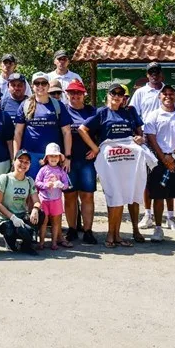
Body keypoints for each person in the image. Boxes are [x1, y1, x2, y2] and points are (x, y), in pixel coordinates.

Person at [78, 84, 153, 247]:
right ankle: (110, 236)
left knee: (129, 194)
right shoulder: (101, 113)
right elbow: (82, 129)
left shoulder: (129, 111)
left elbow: (139, 134)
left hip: (129, 160)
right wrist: (95, 148)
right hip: (111, 161)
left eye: (120, 94)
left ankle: (117, 235)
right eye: (114, 93)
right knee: (115, 195)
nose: (117, 96)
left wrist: (140, 139)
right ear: (108, 95)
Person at [130, 62, 175, 229]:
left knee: (170, 180)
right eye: (151, 72)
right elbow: (133, 114)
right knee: (148, 181)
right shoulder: (140, 93)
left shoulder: (170, 92)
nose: (154, 74)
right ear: (147, 74)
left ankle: (170, 217)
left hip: (169, 141)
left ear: (162, 74)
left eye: (157, 72)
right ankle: (148, 215)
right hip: (147, 141)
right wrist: (138, 135)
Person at [143, 85, 175, 244]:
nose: (168, 96)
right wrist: (164, 159)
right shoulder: (153, 116)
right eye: (164, 94)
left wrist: (173, 157)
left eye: (171, 94)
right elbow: (152, 139)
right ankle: (158, 229)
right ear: (159, 97)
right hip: (158, 160)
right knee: (158, 197)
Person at [62, 79, 99, 245]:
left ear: (84, 94)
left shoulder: (92, 111)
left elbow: (101, 132)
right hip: (68, 160)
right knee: (69, 196)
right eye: (72, 92)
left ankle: (88, 230)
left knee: (87, 195)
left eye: (78, 92)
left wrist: (96, 148)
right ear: (67, 94)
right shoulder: (63, 111)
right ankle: (71, 228)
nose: (75, 95)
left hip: (87, 160)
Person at [13, 72, 73, 170]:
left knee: (51, 184)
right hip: (29, 156)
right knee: (31, 184)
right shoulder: (25, 105)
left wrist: (67, 157)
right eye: (37, 83)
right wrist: (16, 157)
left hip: (53, 157)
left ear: (48, 85)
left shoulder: (58, 105)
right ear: (32, 86)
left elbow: (66, 132)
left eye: (43, 83)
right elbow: (18, 133)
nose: (40, 86)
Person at [0, 149, 42, 255]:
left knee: (40, 214)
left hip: (21, 216)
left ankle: (26, 245)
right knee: (10, 229)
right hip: (6, 218)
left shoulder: (29, 180)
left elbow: (37, 201)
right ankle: (12, 240)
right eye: (20, 160)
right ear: (14, 161)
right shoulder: (4, 178)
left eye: (26, 162)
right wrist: (12, 217)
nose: (23, 164)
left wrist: (35, 209)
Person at [35, 143, 73, 249]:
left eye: (56, 156)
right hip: (44, 200)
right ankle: (41, 242)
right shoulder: (43, 169)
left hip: (56, 200)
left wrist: (61, 185)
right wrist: (46, 185)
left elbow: (66, 185)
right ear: (47, 157)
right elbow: (37, 182)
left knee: (56, 222)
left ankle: (54, 242)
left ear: (59, 158)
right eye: (51, 156)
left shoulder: (61, 171)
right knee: (44, 222)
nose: (53, 158)